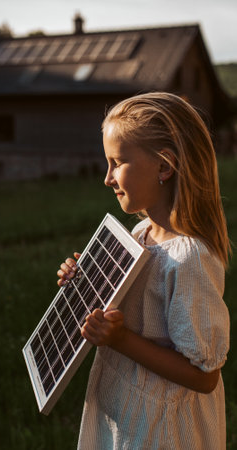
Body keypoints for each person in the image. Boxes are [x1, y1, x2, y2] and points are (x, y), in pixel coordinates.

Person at [57, 92, 230, 449]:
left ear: (164, 167)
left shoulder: (190, 259)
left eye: (117, 162)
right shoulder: (139, 234)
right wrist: (83, 284)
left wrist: (119, 340)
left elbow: (203, 377)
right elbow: (126, 309)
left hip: (162, 427)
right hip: (126, 407)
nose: (107, 178)